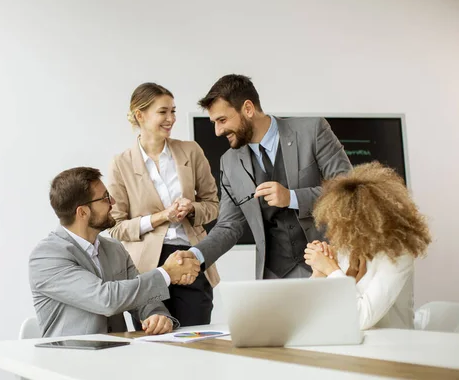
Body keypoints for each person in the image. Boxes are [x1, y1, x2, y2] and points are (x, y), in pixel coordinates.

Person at [179, 74, 352, 281]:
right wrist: (194, 255)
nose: (218, 131)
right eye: (214, 123)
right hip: (274, 275)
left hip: (330, 264)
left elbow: (349, 190)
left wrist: (292, 198)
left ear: (248, 109)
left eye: (222, 120)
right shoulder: (229, 162)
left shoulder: (312, 131)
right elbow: (229, 225)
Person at [29, 167, 201, 337]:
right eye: (104, 198)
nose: (112, 201)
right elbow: (106, 299)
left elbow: (142, 297)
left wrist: (156, 315)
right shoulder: (46, 257)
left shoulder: (114, 248)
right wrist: (167, 273)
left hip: (119, 355)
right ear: (82, 212)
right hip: (69, 360)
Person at [107, 82, 220, 326]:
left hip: (189, 258)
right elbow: (115, 227)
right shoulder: (121, 163)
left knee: (196, 342)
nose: (171, 118)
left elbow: (212, 204)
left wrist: (191, 209)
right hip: (146, 269)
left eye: (173, 111)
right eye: (163, 112)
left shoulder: (191, 151)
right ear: (140, 115)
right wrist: (162, 217)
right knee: (154, 345)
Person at [304, 162, 431, 330]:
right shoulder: (347, 246)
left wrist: (332, 270)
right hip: (350, 343)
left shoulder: (398, 255)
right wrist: (319, 275)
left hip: (393, 348)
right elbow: (311, 312)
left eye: (344, 223)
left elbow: (361, 318)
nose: (336, 230)